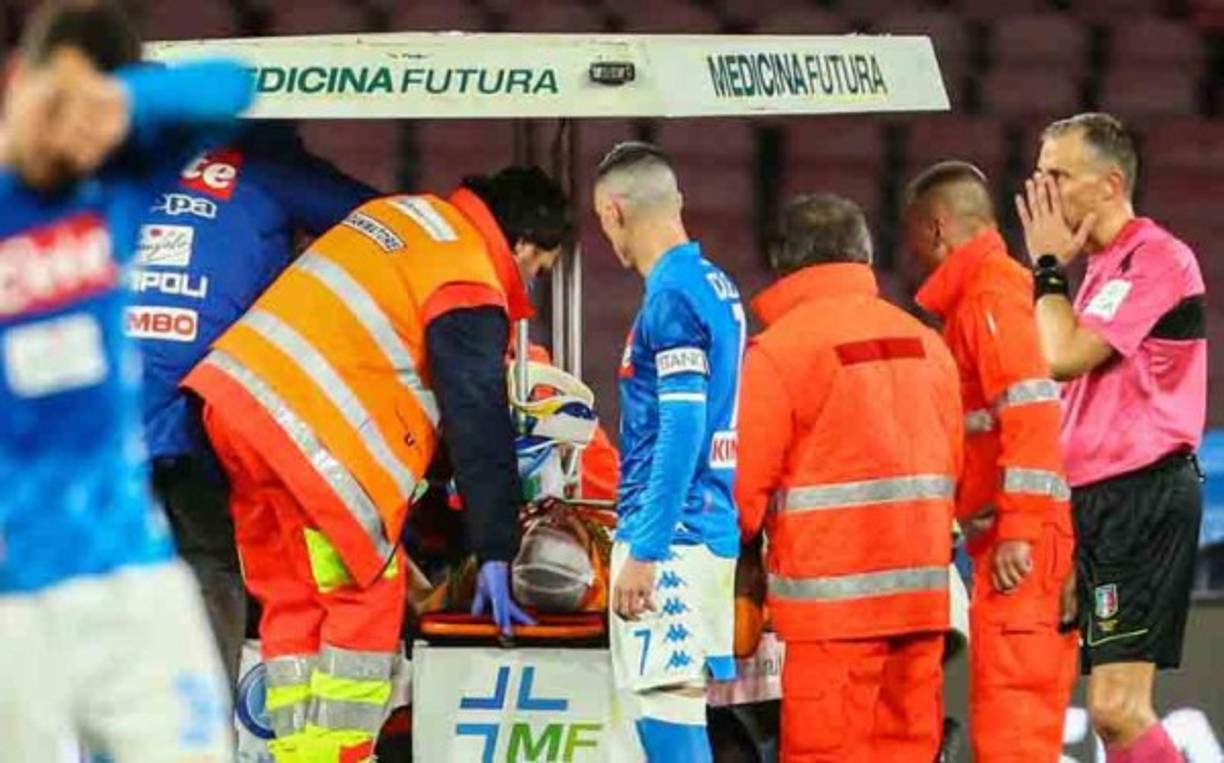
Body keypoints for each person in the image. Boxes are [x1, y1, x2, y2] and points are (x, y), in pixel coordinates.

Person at [183, 166, 571, 763]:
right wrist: (496, 548)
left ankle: (299, 753)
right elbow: (476, 410)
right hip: (312, 439)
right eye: (537, 268)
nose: (528, 282)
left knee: (296, 600)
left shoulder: (403, 217)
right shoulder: (466, 268)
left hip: (237, 410)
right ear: (521, 244)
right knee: (364, 595)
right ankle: (339, 754)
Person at [0, 1, 253, 759]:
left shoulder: (116, 188)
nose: (72, 129)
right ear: (19, 83)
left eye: (95, 112)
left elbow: (231, 87)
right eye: (59, 100)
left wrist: (117, 103)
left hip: (131, 580)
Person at [133, 121, 378, 687]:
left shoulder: (131, 165)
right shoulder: (271, 165)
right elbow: (382, 223)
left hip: (106, 406)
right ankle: (203, 733)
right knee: (210, 566)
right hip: (203, 407)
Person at [735, 193, 963, 762]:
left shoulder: (779, 354)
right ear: (862, 256)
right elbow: (952, 469)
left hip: (831, 615)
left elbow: (741, 498)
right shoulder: (929, 346)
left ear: (783, 262)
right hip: (921, 606)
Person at [1017, 112, 1206, 763]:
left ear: (1110, 182)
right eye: (1039, 175)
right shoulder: (1096, 269)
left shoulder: (1156, 258)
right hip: (1094, 500)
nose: (1043, 192)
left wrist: (1044, 268)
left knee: (1118, 709)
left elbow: (1062, 353)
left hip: (1142, 494)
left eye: (1059, 176)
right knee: (1109, 720)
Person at [905, 160, 1078, 762]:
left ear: (936, 229)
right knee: (1014, 726)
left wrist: (1020, 532)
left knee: (1014, 730)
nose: (913, 256)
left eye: (914, 239)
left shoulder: (991, 295)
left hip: (1020, 546)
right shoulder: (986, 297)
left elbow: (1032, 409)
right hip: (1010, 539)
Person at [593, 141, 743, 763]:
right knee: (671, 722)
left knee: (668, 725)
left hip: (673, 542)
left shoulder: (671, 297)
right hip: (704, 528)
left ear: (614, 212)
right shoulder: (714, 283)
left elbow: (682, 430)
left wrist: (647, 549)